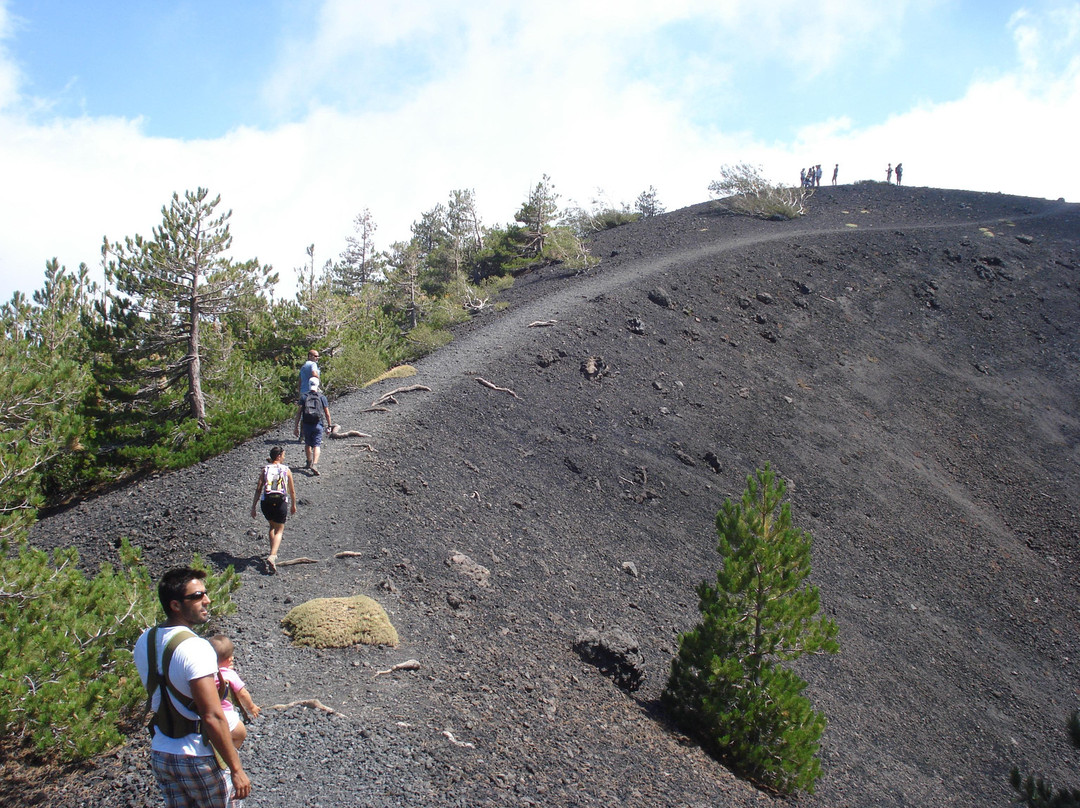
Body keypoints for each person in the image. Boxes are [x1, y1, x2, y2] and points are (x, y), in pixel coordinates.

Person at [134, 567, 252, 807]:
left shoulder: (145, 639)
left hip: (162, 753)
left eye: (204, 594)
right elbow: (212, 715)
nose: (207, 600)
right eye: (197, 596)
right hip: (197, 756)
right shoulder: (196, 648)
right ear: (175, 605)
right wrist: (236, 769)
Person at [208, 634, 261, 749]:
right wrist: (251, 707)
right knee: (240, 733)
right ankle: (230, 753)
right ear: (230, 659)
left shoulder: (204, 674)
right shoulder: (229, 675)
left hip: (205, 713)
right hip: (225, 714)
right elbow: (242, 693)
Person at [251, 446, 296, 573]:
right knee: (280, 529)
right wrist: (293, 504)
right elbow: (291, 490)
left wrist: (253, 507)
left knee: (271, 526)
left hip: (266, 502)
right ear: (278, 456)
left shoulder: (265, 469)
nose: (284, 457)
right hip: (280, 501)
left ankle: (272, 552)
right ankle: (273, 555)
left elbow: (259, 489)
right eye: (283, 455)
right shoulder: (286, 470)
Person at [294, 377, 332, 476]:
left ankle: (308, 461)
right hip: (318, 424)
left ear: (309, 385)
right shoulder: (322, 397)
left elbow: (298, 413)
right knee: (317, 445)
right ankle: (314, 464)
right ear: (317, 385)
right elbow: (327, 413)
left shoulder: (304, 397)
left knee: (307, 443)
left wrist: (296, 427)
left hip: (306, 424)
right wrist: (329, 425)